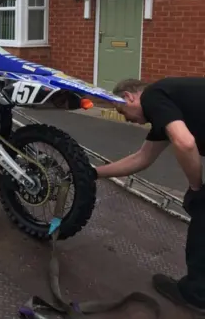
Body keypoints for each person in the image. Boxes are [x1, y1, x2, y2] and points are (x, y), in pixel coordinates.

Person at [90, 77, 205, 314]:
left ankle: (195, 294)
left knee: (203, 219)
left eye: (121, 110)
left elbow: (184, 143)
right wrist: (92, 173)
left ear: (129, 97)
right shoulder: (169, 109)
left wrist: (196, 188)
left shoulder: (154, 96)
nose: (125, 118)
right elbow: (141, 158)